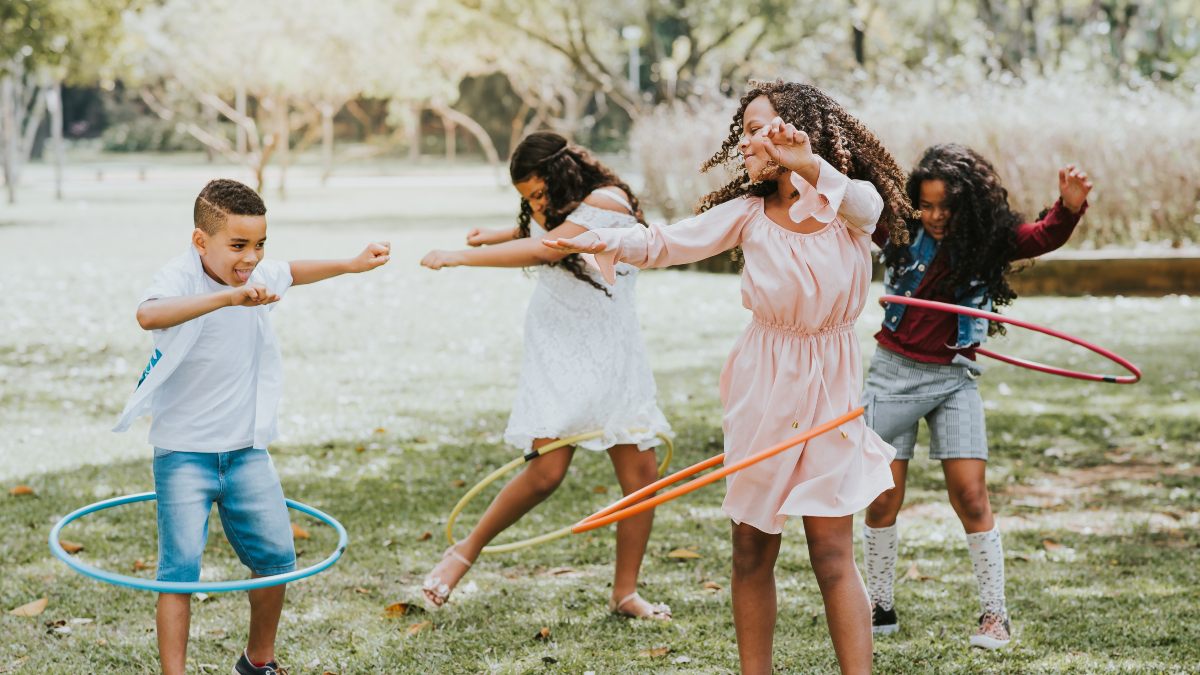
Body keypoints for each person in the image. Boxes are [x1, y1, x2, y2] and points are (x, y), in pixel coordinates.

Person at [546, 81, 912, 675]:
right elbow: (666, 242)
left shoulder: (847, 209)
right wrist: (602, 239)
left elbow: (872, 211)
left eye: (755, 129)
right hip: (762, 385)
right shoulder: (747, 214)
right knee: (750, 548)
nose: (743, 143)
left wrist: (807, 166)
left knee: (831, 552)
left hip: (831, 388)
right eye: (740, 131)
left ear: (797, 133)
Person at [113, 178, 390, 675]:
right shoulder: (181, 277)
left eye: (260, 244)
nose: (251, 257)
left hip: (247, 453)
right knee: (178, 574)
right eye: (238, 245)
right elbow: (148, 315)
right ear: (201, 242)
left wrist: (351, 263)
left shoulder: (259, 273)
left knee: (277, 558)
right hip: (183, 455)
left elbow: (295, 271)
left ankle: (257, 661)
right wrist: (227, 299)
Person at [418, 132, 673, 620]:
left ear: (565, 175)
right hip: (559, 344)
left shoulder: (608, 201)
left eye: (539, 194)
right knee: (545, 471)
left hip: (613, 349)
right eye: (528, 199)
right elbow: (549, 234)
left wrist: (460, 256)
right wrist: (496, 235)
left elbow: (550, 249)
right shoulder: (571, 208)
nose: (536, 206)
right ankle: (462, 553)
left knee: (641, 478)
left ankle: (625, 593)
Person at [861, 143, 1092, 649]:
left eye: (947, 205)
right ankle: (878, 606)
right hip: (893, 373)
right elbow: (852, 207)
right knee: (881, 497)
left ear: (969, 204)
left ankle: (995, 616)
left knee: (970, 495)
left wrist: (1069, 206)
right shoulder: (900, 230)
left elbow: (1040, 236)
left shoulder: (987, 240)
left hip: (953, 378)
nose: (936, 215)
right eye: (927, 204)